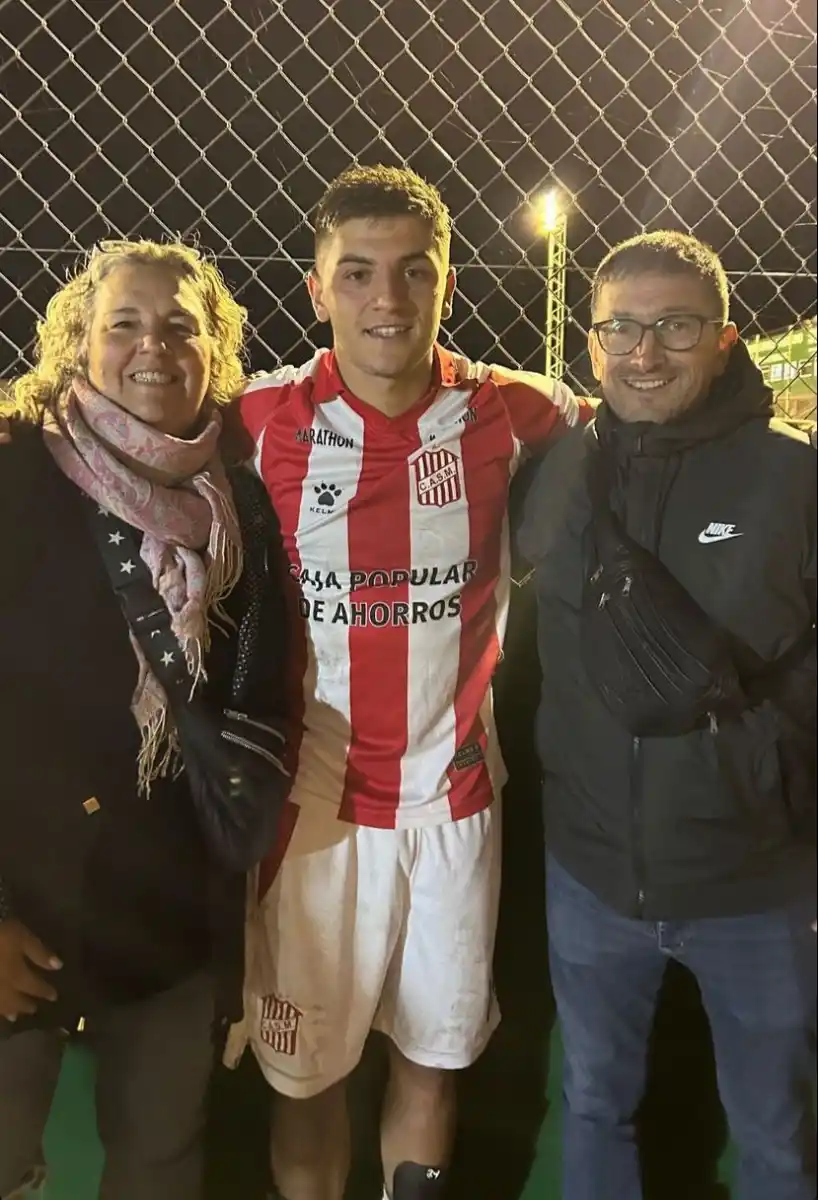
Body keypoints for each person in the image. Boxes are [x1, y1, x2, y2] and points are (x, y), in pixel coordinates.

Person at [221, 164, 590, 1200]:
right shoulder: (258, 419)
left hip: (454, 801)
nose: (386, 298)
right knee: (307, 1083)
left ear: (447, 283)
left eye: (413, 271)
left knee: (431, 1064)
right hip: (311, 814)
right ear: (316, 290)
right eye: (357, 273)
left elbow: (630, 421)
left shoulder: (512, 410)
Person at [518, 231, 817, 1200]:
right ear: (591, 341)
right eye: (621, 328)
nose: (643, 352)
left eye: (675, 327)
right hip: (591, 874)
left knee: (776, 1135)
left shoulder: (792, 478)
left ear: (724, 339)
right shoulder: (558, 469)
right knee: (594, 1103)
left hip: (754, 877)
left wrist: (767, 761)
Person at [0, 239, 291, 1200]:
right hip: (25, 895)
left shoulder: (240, 503)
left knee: (160, 1159)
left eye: (180, 326)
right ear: (79, 344)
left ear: (217, 350)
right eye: (122, 323)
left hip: (168, 904)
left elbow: (259, 699)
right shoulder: (16, 476)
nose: (152, 347)